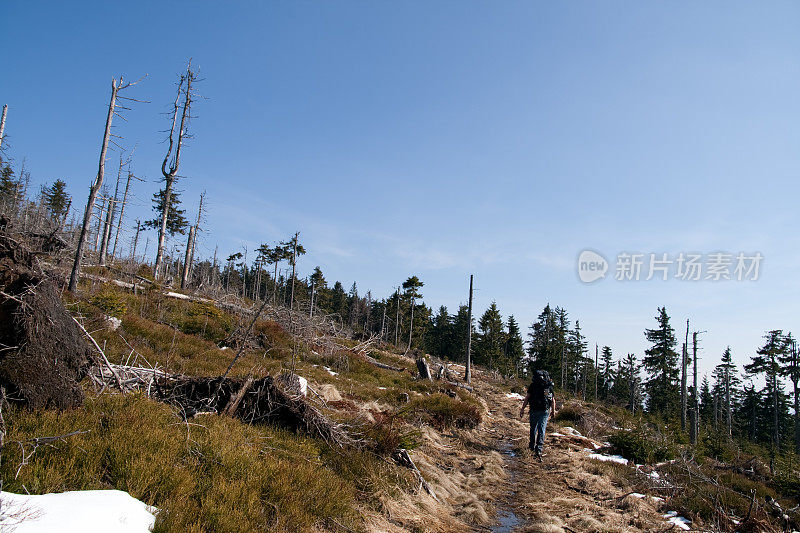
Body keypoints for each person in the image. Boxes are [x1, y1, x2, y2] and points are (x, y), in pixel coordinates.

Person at [519, 369, 556, 461]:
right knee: (541, 429)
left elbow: (527, 397)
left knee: (533, 428)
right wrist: (553, 411)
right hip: (544, 410)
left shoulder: (533, 385)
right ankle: (539, 449)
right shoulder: (547, 387)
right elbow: (552, 400)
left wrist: (522, 409)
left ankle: (531, 446)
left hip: (534, 409)